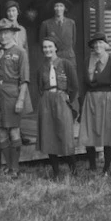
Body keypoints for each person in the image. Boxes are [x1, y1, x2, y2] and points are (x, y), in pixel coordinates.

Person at [0, 0, 33, 145]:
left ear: (18, 12)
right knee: (6, 108)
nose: (11, 13)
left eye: (14, 10)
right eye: (9, 11)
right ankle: (15, 134)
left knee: (18, 105)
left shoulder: (22, 30)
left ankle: (19, 133)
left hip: (18, 69)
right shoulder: (1, 27)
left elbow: (26, 48)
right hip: (5, 69)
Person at [0, 18, 33, 179]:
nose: (3, 36)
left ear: (13, 34)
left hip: (12, 93)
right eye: (0, 33)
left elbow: (24, 80)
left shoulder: (20, 52)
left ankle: (15, 167)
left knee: (14, 131)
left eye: (6, 33)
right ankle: (8, 167)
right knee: (1, 132)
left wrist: (21, 100)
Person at [78, 32, 111, 177]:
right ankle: (92, 165)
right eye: (95, 44)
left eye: (100, 43)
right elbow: (83, 84)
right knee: (88, 131)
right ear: (92, 46)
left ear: (105, 45)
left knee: (107, 132)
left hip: (106, 99)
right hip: (90, 98)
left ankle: (107, 168)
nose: (98, 46)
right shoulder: (86, 61)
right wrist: (81, 102)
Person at [36, 36, 79, 179]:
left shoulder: (65, 64)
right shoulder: (42, 66)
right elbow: (39, 86)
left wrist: (69, 99)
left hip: (62, 99)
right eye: (44, 47)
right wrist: (45, 98)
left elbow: (75, 85)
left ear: (55, 48)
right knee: (48, 134)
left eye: (50, 46)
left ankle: (74, 170)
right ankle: (56, 172)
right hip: (47, 100)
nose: (47, 50)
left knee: (65, 134)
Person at [39, 0, 77, 68]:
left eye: (61, 6)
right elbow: (42, 43)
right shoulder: (46, 24)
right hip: (53, 58)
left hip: (69, 58)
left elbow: (73, 42)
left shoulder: (71, 23)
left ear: (64, 8)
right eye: (56, 6)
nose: (58, 8)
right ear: (53, 8)